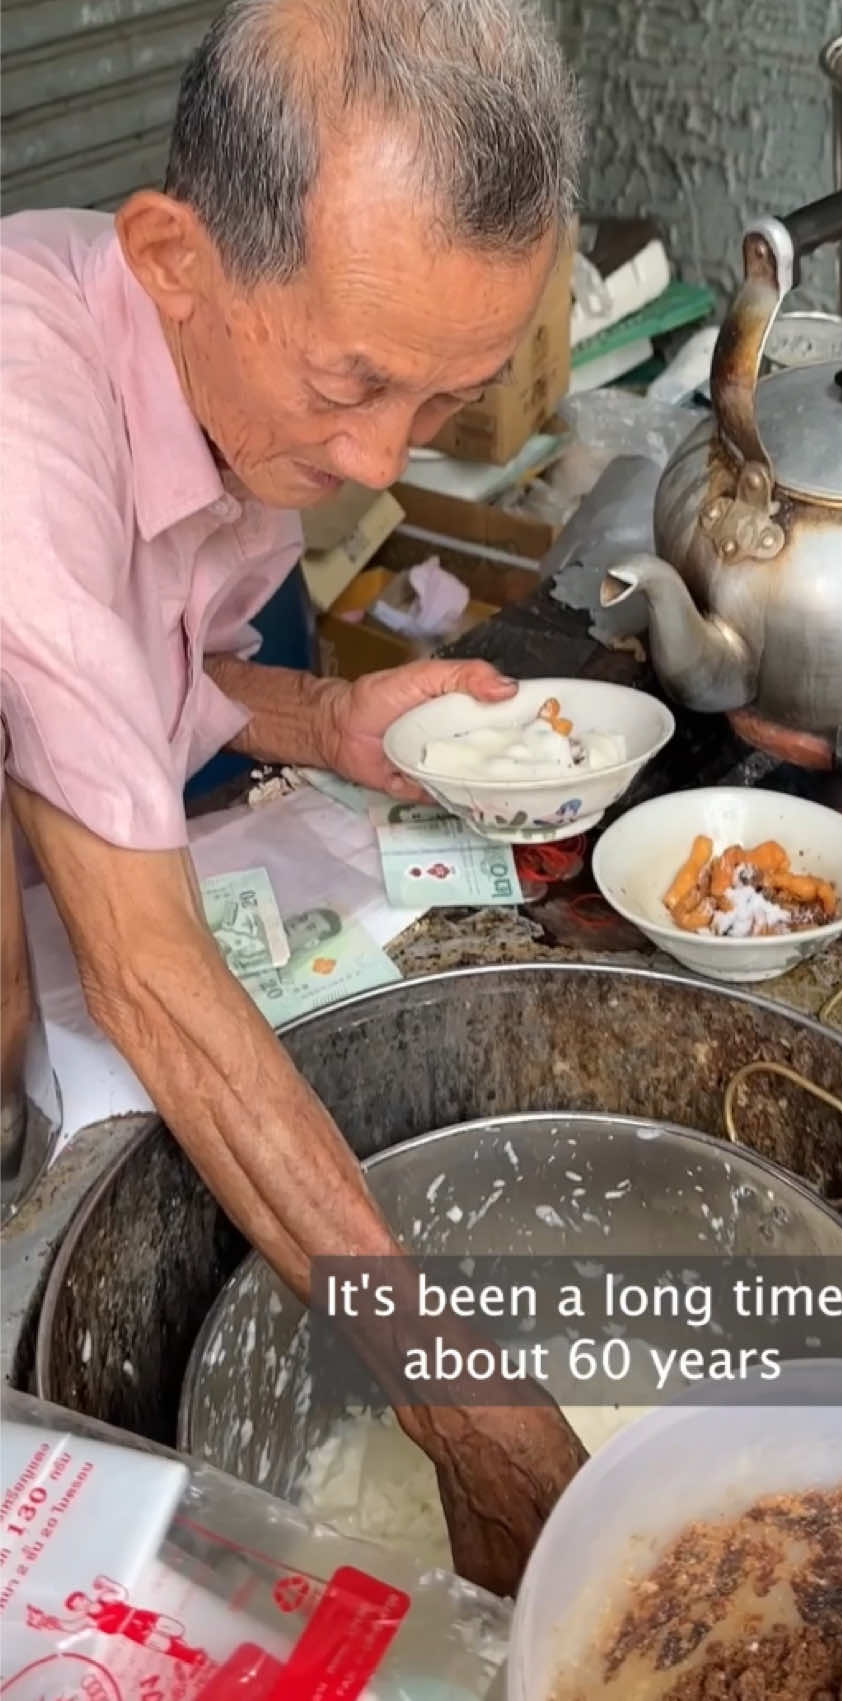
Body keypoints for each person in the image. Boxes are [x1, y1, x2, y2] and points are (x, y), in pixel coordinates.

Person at [0, 0, 586, 1595]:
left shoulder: (244, 396)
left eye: (444, 402)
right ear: (175, 258)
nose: (386, 462)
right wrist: (478, 1421)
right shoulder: (19, 414)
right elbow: (152, 979)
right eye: (358, 382)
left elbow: (121, 683)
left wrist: (328, 715)